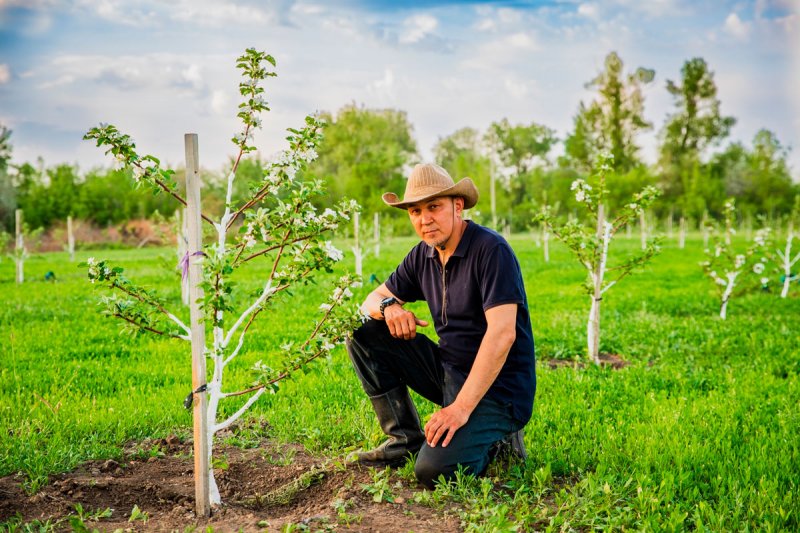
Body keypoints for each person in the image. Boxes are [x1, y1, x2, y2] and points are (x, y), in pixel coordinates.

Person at [346, 163, 536, 489]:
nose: (425, 219)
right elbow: (371, 300)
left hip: (500, 389)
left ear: (457, 206)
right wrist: (390, 307)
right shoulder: (424, 255)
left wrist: (460, 409)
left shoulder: (491, 251)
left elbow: (503, 334)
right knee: (361, 329)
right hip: (450, 374)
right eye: (416, 211)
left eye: (434, 207)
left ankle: (500, 442)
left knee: (433, 472)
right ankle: (403, 442)